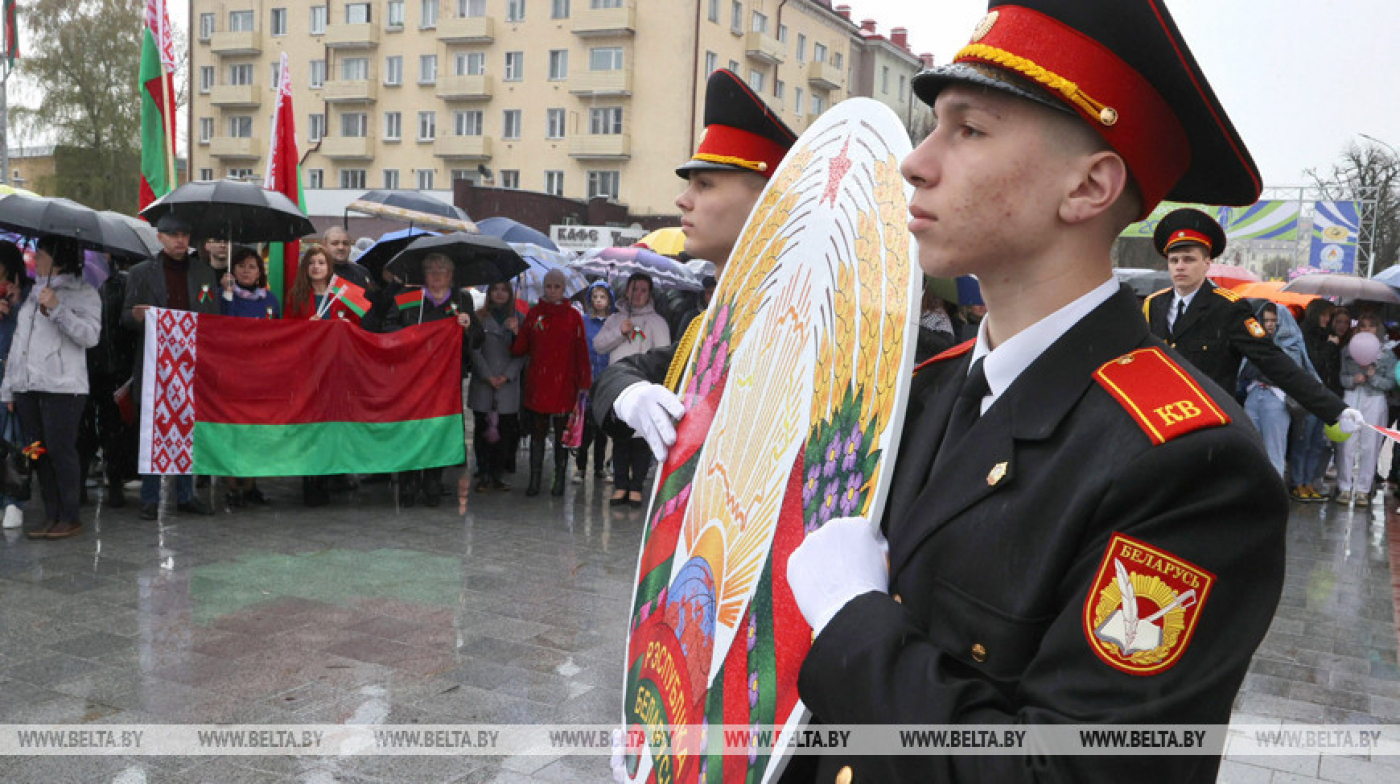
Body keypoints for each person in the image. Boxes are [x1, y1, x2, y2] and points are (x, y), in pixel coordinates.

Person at [780, 2, 1365, 781]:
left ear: (1089, 188)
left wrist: (854, 625)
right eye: (932, 127)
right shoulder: (927, 387)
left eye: (969, 130)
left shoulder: (1189, 468)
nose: (916, 163)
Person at [593, 68, 797, 459]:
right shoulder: (708, 325)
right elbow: (617, 377)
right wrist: (632, 395)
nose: (682, 200)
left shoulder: (812, 326)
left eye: (704, 184)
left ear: (767, 203)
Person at [1144, 208, 1347, 428]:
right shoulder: (1154, 304)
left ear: (1206, 263)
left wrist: (1335, 410)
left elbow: (1272, 360)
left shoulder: (1228, 307)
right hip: (1162, 418)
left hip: (1207, 422)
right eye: (1174, 260)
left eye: (1188, 259)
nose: (1180, 266)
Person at [122, 213, 220, 520]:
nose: (180, 240)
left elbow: (213, 318)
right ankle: (150, 497)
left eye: (185, 235)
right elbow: (125, 316)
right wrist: (137, 317)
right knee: (154, 428)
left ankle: (186, 494)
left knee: (188, 427)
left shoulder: (204, 273)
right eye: (173, 235)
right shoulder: (140, 272)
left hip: (191, 363)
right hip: (155, 364)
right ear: (160, 237)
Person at [2, 235, 101, 539]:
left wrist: (58, 309)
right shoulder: (32, 293)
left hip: (64, 387)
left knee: (60, 450)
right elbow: (20, 343)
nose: (36, 258)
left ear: (58, 258)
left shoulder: (84, 293)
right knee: (38, 451)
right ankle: (51, 514)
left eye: (41, 253)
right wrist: (9, 387)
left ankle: (69, 515)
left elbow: (90, 336)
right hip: (27, 386)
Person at [392, 253, 480, 506]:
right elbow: (387, 329)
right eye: (430, 270)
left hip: (446, 380)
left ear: (451, 275)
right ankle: (408, 483)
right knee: (410, 429)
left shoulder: (462, 300)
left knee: (438, 430)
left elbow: (477, 340)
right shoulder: (408, 300)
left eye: (443, 270)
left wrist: (469, 326)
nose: (437, 275)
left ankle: (432, 482)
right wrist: (407, 337)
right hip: (411, 379)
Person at [511, 269, 591, 497]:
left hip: (565, 382)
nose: (553, 291)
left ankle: (558, 478)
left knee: (560, 435)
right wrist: (516, 331)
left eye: (557, 287)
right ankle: (535, 479)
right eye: (549, 286)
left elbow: (581, 351)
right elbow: (520, 349)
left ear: (563, 288)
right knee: (538, 432)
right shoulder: (534, 314)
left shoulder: (573, 317)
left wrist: (584, 380)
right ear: (543, 288)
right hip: (539, 382)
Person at [594, 273, 671, 505]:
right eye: (634, 289)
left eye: (643, 290)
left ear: (650, 294)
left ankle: (636, 485)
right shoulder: (615, 318)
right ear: (626, 291)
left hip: (642, 382)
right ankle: (620, 484)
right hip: (617, 384)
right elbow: (599, 345)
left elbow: (663, 353)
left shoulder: (657, 322)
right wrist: (620, 331)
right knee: (620, 437)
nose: (638, 295)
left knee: (640, 437)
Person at [219, 246, 279, 507]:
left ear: (260, 273)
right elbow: (224, 328)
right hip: (232, 372)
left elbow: (279, 335)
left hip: (261, 373)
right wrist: (229, 296)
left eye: (252, 266)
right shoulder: (225, 296)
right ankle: (232, 486)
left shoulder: (269, 300)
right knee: (233, 429)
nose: (246, 270)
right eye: (241, 265)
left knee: (255, 429)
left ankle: (252, 484)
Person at [1240, 303, 1318, 477]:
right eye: (1266, 320)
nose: (1269, 324)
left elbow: (1287, 374)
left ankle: (1274, 498)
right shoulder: (1256, 342)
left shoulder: (1291, 345)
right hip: (1253, 395)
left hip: (1277, 399)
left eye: (1274, 320)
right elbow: (1247, 371)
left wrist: (1264, 364)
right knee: (1251, 450)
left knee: (1274, 451)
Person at [469, 281, 523, 492]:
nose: (500, 294)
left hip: (507, 385)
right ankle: (483, 472)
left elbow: (523, 352)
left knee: (505, 432)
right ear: (489, 293)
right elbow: (474, 350)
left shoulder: (518, 319)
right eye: (496, 290)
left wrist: (516, 333)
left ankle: (498, 473)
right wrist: (488, 375)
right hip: (484, 383)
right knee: (482, 430)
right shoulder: (478, 317)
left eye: (504, 290)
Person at [1335, 313, 1394, 507]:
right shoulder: (1347, 350)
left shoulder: (1387, 354)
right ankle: (1344, 487)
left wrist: (1373, 377)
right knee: (1347, 445)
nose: (1367, 330)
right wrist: (1353, 380)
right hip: (1352, 397)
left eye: (1371, 326)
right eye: (1362, 326)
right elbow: (1341, 377)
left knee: (1370, 445)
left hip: (1374, 400)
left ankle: (1363, 489)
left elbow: (1390, 383)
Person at [1290, 300, 1337, 501]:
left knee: (1317, 442)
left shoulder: (1328, 336)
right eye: (1324, 315)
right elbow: (1312, 363)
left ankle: (1309, 481)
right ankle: (1297, 482)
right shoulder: (1303, 335)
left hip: (1324, 397)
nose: (1327, 319)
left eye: (1329, 316)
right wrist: (1329, 347)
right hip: (1308, 397)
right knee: (1303, 440)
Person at [0, 242, 31, 528]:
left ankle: (13, 500)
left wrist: (18, 305)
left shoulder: (28, 291)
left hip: (14, 374)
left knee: (13, 440)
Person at [576, 281, 615, 483]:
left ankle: (599, 467)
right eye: (595, 297)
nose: (599, 301)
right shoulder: (583, 321)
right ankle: (580, 467)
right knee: (585, 429)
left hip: (606, 381)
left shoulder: (614, 322)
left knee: (602, 429)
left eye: (603, 297)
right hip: (588, 378)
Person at [286, 244, 360, 323]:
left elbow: (357, 324)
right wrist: (307, 325)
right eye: (311, 263)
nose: (316, 266)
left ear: (329, 267)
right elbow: (289, 327)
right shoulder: (296, 295)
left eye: (321, 263)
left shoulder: (343, 293)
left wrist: (348, 323)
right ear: (305, 267)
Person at [322, 226, 373, 291]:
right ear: (324, 245)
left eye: (345, 243)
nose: (341, 247)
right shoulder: (316, 273)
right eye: (335, 243)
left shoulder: (362, 273)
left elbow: (373, 298)